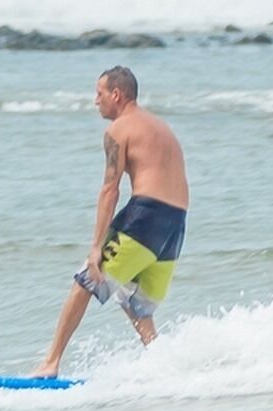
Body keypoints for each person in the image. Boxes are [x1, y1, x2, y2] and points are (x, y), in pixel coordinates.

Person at [36, 65, 189, 376]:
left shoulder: (119, 130)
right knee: (133, 299)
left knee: (85, 282)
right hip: (175, 223)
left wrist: (96, 248)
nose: (96, 101)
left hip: (145, 215)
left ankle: (50, 363)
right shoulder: (161, 127)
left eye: (99, 94)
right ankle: (162, 364)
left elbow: (110, 189)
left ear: (116, 95)